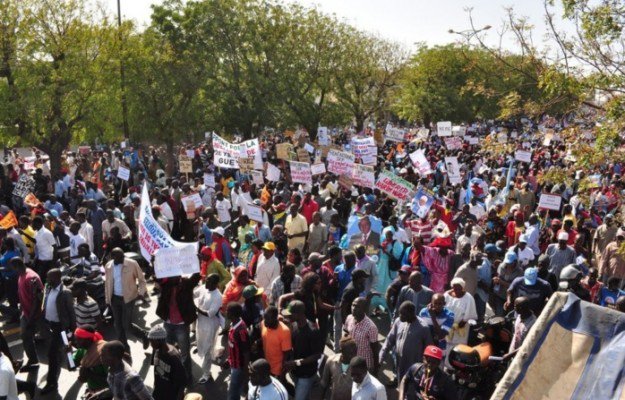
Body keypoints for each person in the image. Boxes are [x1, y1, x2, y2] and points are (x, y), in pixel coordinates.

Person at [156, 274, 199, 382]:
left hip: (182, 326)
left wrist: (197, 262)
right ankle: (171, 376)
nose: (173, 278)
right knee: (168, 352)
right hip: (168, 324)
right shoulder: (166, 285)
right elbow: (157, 277)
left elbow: (196, 277)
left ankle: (187, 377)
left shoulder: (186, 284)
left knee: (184, 354)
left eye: (176, 276)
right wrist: (155, 264)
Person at [40, 268, 77, 394]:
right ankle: (71, 363)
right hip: (51, 326)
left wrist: (73, 330)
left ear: (56, 278)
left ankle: (51, 383)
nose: (47, 280)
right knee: (66, 347)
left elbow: (71, 313)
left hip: (61, 328)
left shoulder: (65, 293)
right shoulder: (49, 288)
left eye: (49, 277)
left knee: (53, 354)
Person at [104, 248, 148, 350]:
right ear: (113, 257)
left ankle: (144, 336)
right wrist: (107, 300)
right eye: (120, 257)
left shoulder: (132, 263)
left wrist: (141, 293)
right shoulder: (108, 266)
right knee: (117, 324)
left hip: (128, 298)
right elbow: (107, 284)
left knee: (127, 325)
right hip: (114, 299)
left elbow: (142, 280)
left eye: (123, 256)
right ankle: (124, 348)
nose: (123, 259)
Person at [380, 301, 433, 381]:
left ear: (412, 313)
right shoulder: (398, 321)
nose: (400, 316)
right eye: (400, 313)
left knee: (411, 386)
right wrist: (381, 356)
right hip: (399, 362)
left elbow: (428, 349)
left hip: (414, 365)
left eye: (403, 314)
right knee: (400, 382)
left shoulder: (423, 328)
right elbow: (389, 339)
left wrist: (426, 368)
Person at [282, 300, 323, 400]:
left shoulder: (313, 331)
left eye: (290, 314)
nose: (288, 316)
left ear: (298, 314)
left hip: (306, 374)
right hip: (295, 372)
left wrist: (297, 363)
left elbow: (317, 355)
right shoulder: (294, 326)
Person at [10, 257, 43, 371]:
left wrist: (31, 318)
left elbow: (37, 300)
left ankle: (56, 357)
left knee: (46, 337)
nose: (13, 270)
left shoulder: (32, 277)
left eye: (13, 268)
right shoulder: (21, 275)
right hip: (26, 313)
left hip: (35, 315)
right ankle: (33, 360)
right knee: (25, 336)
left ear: (16, 266)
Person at [194, 274, 223, 384]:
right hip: (201, 324)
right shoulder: (203, 288)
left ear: (215, 284)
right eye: (206, 281)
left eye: (209, 282)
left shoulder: (218, 296)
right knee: (203, 344)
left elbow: (210, 313)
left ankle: (206, 374)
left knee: (207, 350)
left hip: (210, 326)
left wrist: (196, 308)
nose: (206, 283)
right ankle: (214, 353)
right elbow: (193, 293)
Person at [148, 325, 186, 400]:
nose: (150, 344)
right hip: (159, 392)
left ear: (159, 341)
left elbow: (182, 382)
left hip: (171, 395)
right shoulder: (156, 350)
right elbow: (156, 370)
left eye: (152, 341)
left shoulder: (173, 357)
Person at [343, 297, 380, 373]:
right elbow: (346, 335)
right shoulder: (349, 318)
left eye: (357, 306)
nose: (353, 308)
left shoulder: (371, 327)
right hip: (351, 361)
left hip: (364, 365)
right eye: (353, 305)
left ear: (364, 309)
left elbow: (375, 351)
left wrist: (376, 369)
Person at [72, 325, 109, 397]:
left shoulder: (103, 353)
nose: (76, 341)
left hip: (105, 393)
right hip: (91, 389)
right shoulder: (82, 349)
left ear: (88, 339)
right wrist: (68, 354)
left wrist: (90, 374)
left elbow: (112, 379)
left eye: (79, 339)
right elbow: (72, 366)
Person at [226, 302, 250, 400]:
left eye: (227, 311)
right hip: (233, 364)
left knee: (232, 393)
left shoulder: (240, 331)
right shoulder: (233, 324)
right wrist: (229, 360)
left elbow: (246, 353)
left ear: (232, 314)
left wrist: (245, 374)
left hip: (238, 367)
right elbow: (233, 346)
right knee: (235, 389)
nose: (225, 313)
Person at [260, 306, 292, 380]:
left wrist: (282, 372)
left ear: (275, 318)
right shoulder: (263, 324)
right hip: (266, 364)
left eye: (268, 319)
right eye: (264, 318)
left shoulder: (284, 331)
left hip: (277, 369)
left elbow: (286, 353)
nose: (265, 321)